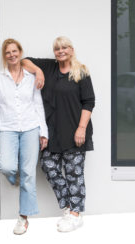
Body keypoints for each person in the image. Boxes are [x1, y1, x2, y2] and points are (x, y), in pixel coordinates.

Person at [22, 36, 95, 232]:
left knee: (74, 174)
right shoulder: (49, 67)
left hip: (74, 131)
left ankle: (75, 215)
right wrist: (37, 71)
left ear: (71, 50)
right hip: (52, 131)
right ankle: (69, 206)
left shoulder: (81, 72)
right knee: (48, 166)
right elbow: (23, 61)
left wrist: (81, 128)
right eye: (57, 48)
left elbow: (89, 102)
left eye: (64, 48)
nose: (60, 51)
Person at [0, 38, 48, 235]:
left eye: (15, 51)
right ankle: (15, 176)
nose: (12, 55)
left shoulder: (31, 78)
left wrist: (43, 131)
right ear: (4, 56)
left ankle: (23, 217)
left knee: (29, 174)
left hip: (31, 127)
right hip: (7, 128)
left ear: (20, 53)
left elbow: (38, 105)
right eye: (8, 52)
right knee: (6, 165)